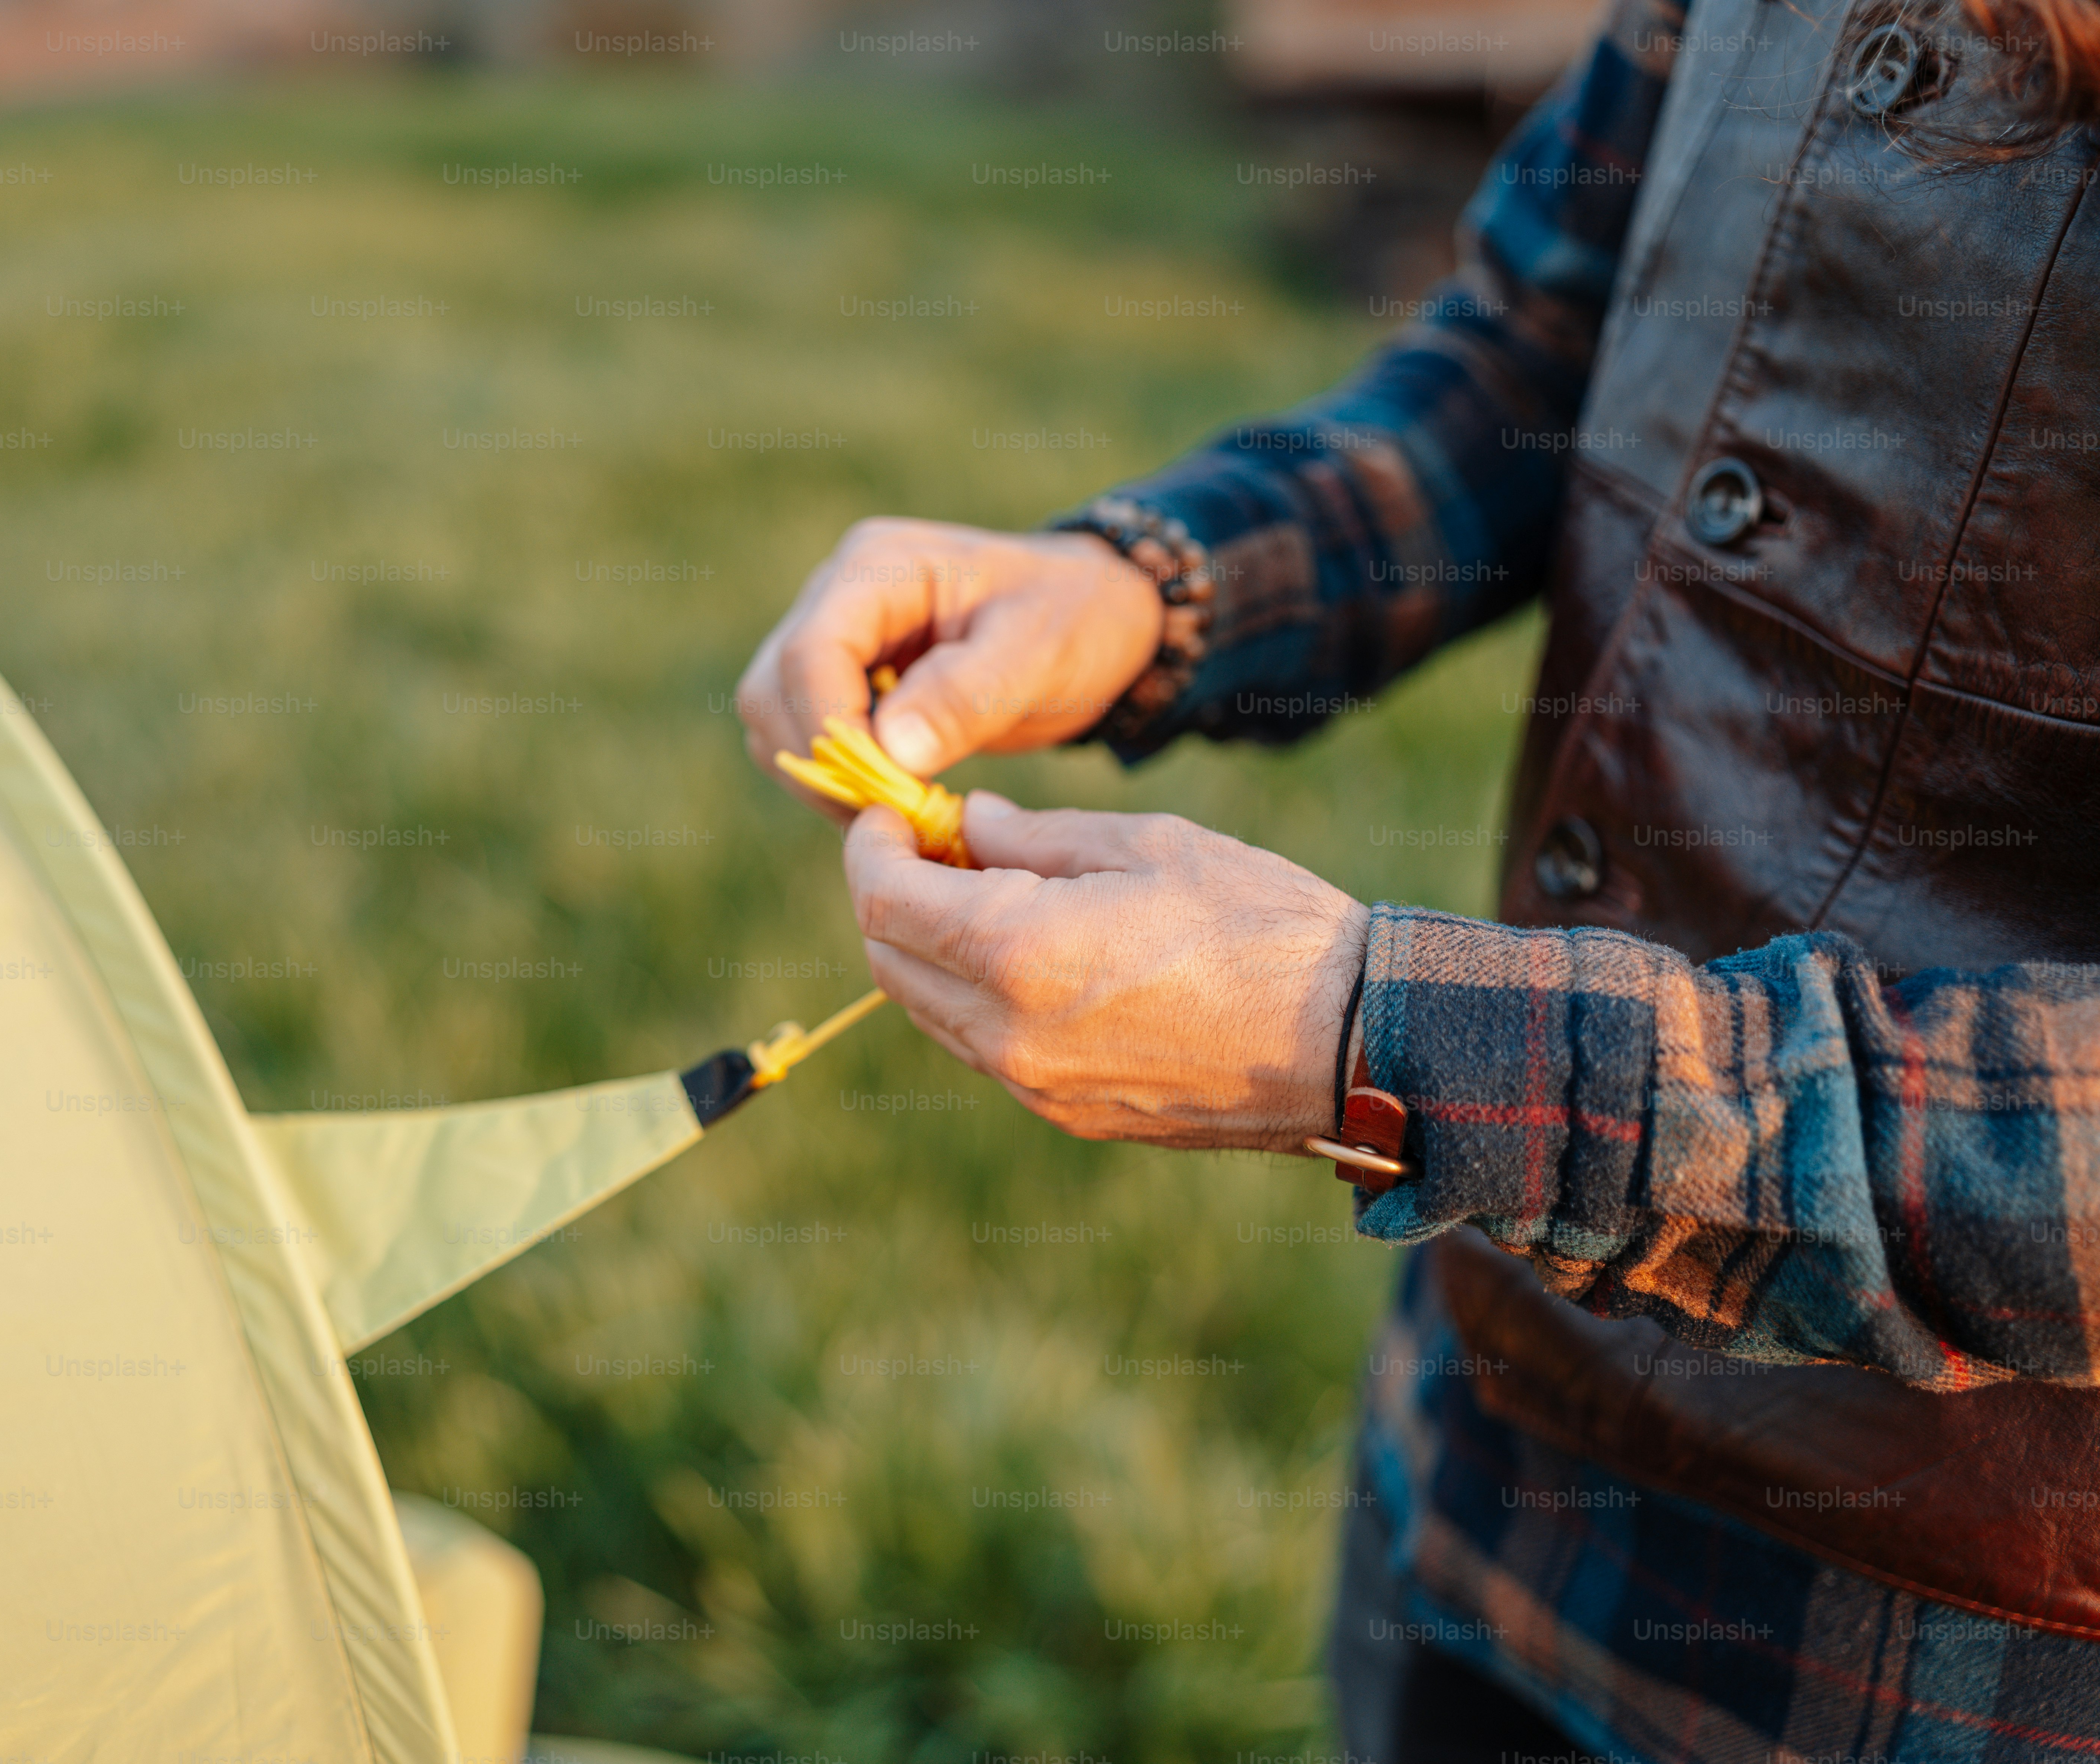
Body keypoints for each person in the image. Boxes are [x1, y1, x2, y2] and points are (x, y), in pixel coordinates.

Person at [736, 0, 2100, 1756]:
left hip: (1937, 1680)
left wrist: (1367, 1034)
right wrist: (1150, 585)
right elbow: (1538, 353)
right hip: (1487, 1471)